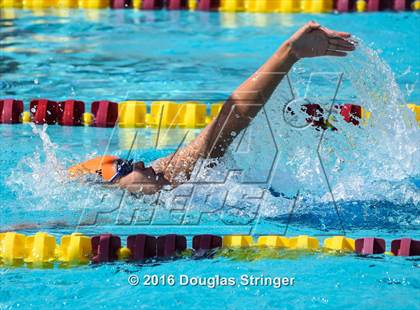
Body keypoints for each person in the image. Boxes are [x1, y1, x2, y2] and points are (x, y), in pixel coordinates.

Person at [69, 21, 356, 195]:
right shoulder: (156, 189)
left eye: (128, 165)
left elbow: (230, 120)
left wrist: (289, 53)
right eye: (128, 168)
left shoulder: (170, 179)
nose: (141, 163)